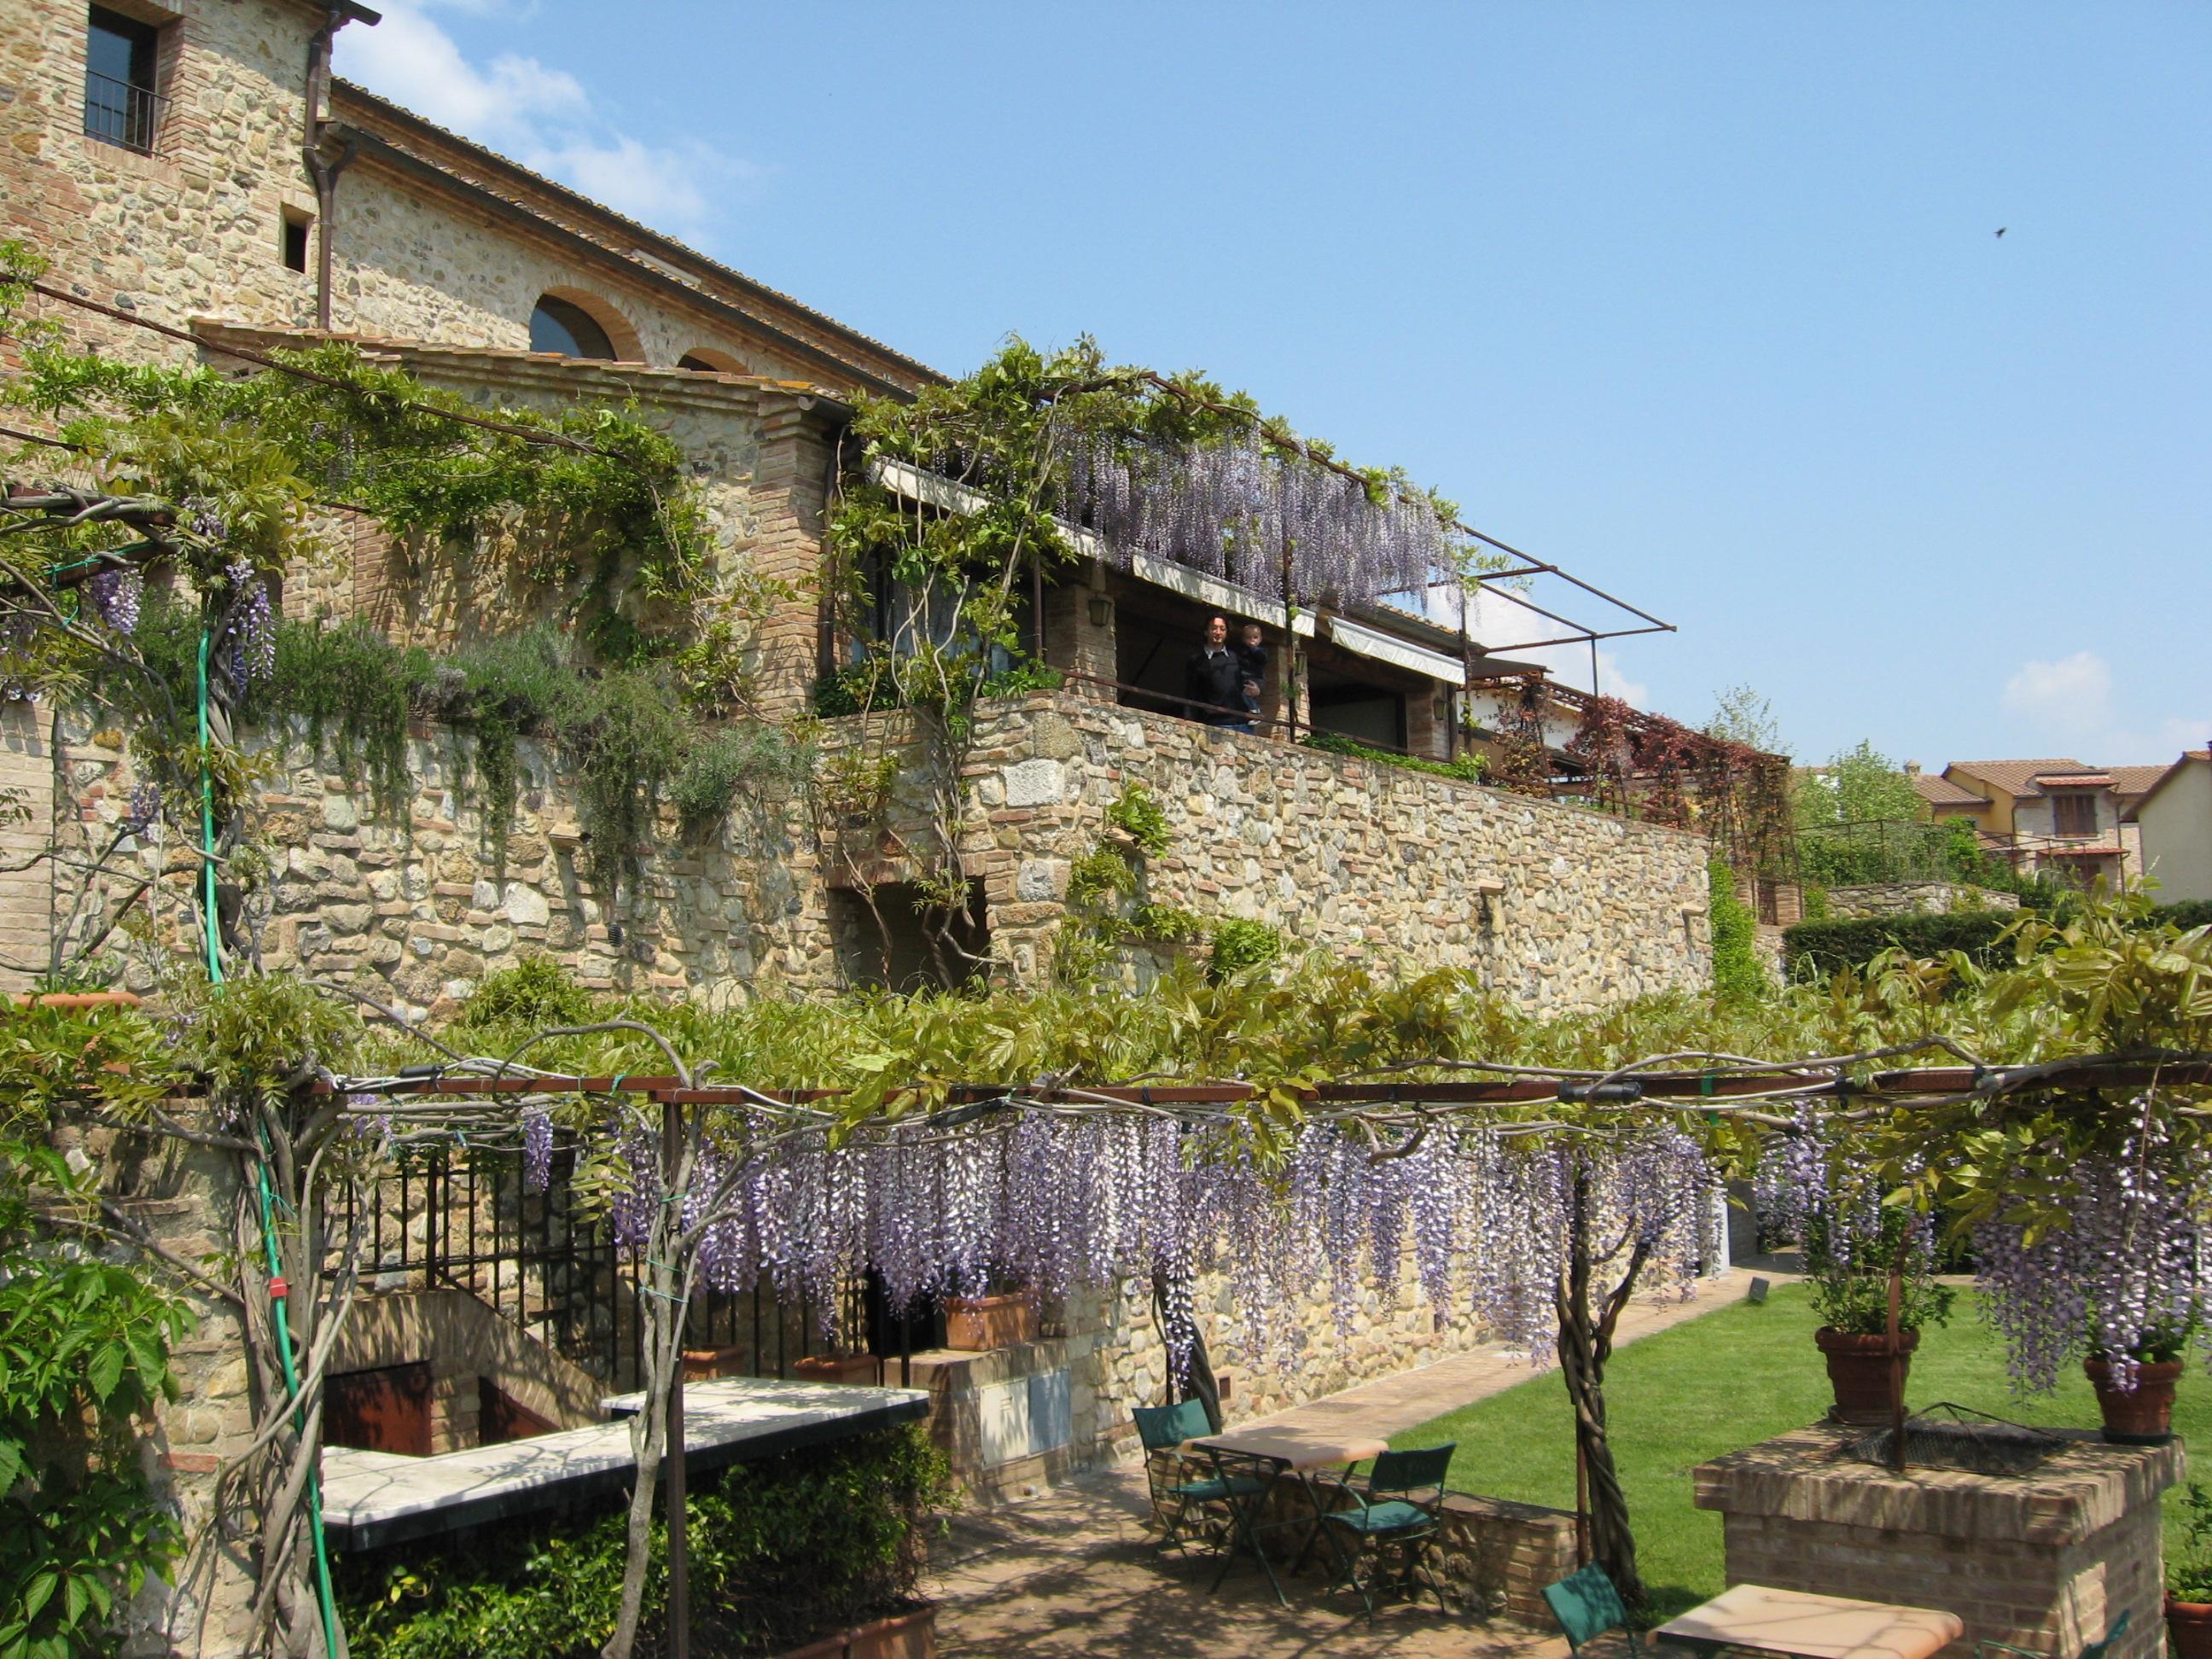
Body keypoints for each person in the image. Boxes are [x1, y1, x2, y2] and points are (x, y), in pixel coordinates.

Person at [1183, 614, 1249, 731]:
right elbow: (1191, 693)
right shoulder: (1197, 660)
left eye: (1222, 629)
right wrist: (1189, 722)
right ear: (1206, 632)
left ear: (1226, 633)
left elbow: (1250, 681)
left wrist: (1258, 688)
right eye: (1214, 628)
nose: (1218, 632)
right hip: (1215, 724)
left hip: (1241, 724)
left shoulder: (1236, 658)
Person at [1234, 621, 1268, 725]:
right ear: (1243, 639)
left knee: (1247, 694)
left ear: (1260, 639)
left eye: (1255, 637)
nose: (1252, 640)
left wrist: (1254, 649)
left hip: (1256, 678)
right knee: (1242, 694)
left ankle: (1255, 711)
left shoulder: (1261, 651)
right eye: (1249, 638)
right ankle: (1249, 713)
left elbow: (1263, 659)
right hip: (1245, 677)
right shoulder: (1242, 651)